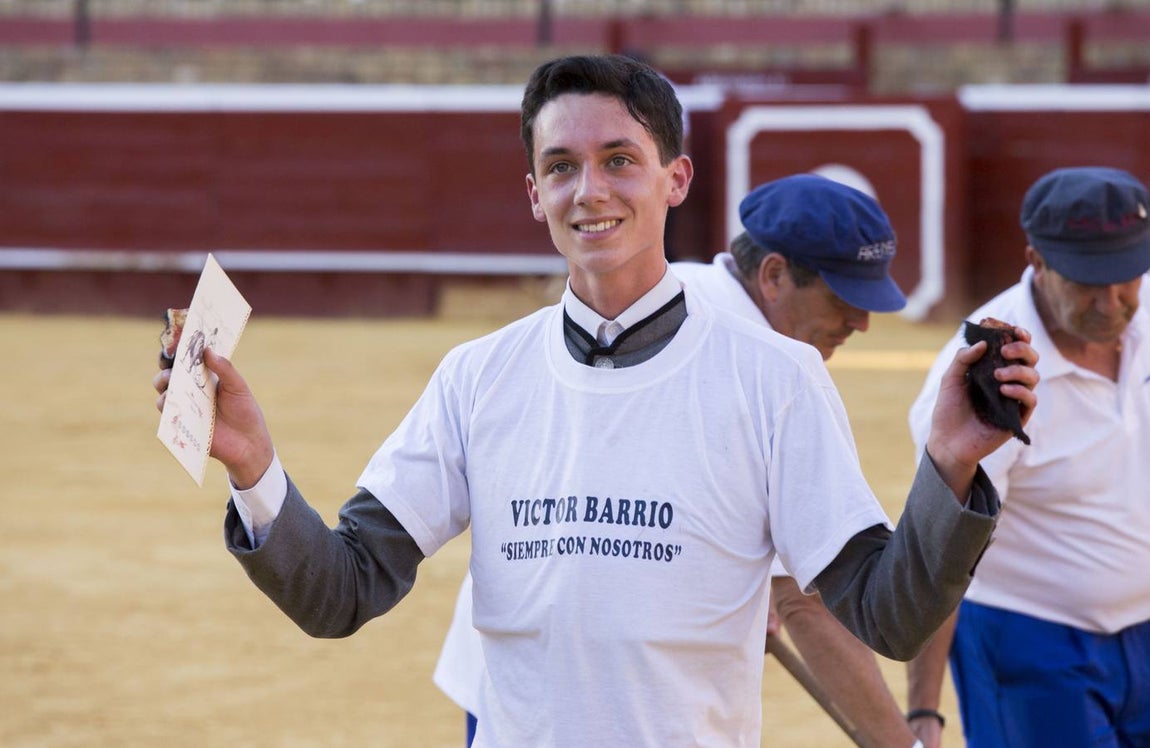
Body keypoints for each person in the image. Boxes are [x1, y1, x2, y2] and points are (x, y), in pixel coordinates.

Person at [153, 54, 1039, 747]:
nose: (592, 190)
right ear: (535, 193)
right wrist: (256, 470)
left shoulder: (776, 378)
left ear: (676, 179)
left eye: (621, 160)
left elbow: (886, 613)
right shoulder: (478, 375)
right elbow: (340, 592)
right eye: (563, 166)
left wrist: (949, 463)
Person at [434, 173, 921, 747]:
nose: (860, 322)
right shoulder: (740, 351)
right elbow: (806, 603)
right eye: (843, 298)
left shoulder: (681, 294)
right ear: (773, 276)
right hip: (555, 680)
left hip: (548, 660)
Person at [905, 166, 1150, 748]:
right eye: (1087, 281)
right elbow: (941, 551)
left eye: (1125, 279)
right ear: (1036, 261)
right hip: (1028, 641)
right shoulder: (980, 377)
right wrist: (923, 714)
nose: (1110, 303)